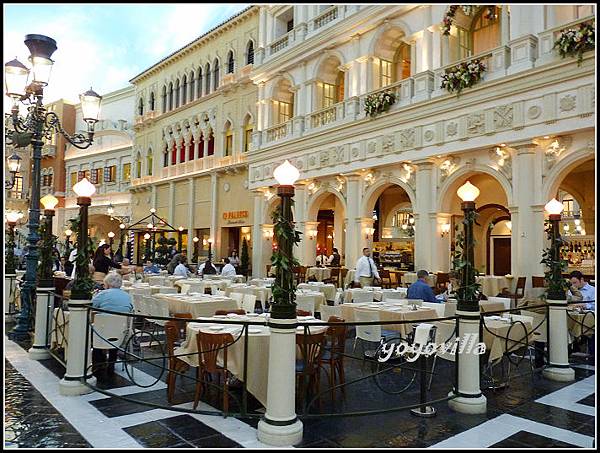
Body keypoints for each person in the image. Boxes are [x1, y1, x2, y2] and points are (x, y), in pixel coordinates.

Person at [91, 273, 133, 377]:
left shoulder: (102, 294)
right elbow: (131, 309)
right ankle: (111, 364)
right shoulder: (127, 296)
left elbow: (91, 305)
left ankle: (98, 363)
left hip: (101, 332)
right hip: (121, 332)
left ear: (107, 284)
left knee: (97, 330)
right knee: (113, 331)